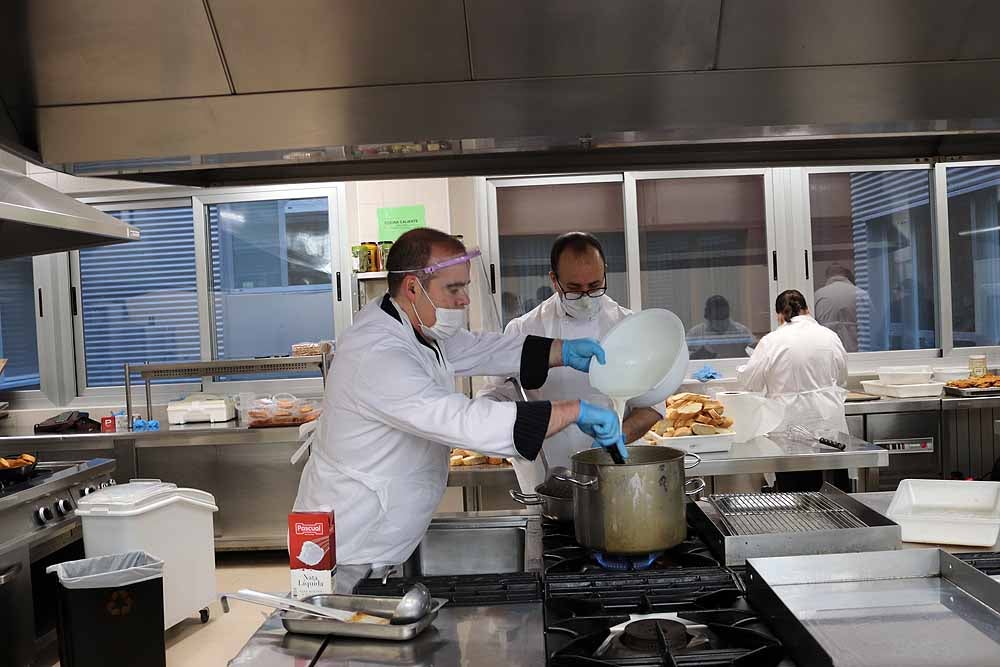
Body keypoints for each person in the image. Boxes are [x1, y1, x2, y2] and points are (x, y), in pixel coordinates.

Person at [293, 228, 624, 592]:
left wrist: (563, 351)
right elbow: (461, 421)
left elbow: (483, 348)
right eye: (454, 289)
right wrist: (573, 410)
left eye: (465, 286)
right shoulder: (378, 355)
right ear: (413, 288)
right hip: (349, 549)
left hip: (382, 537)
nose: (465, 300)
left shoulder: (412, 326)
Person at [479, 232, 665, 492]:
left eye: (595, 285)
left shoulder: (629, 327)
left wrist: (618, 436)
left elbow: (653, 404)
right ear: (554, 280)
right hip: (545, 475)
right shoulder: (524, 330)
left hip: (614, 472)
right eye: (575, 289)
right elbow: (496, 397)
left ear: (605, 274)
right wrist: (476, 417)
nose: (587, 296)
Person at [737, 289, 850, 492]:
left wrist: (741, 370)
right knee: (832, 492)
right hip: (828, 421)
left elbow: (750, 382)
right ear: (807, 310)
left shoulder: (772, 341)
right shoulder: (830, 336)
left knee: (793, 492)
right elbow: (841, 377)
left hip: (787, 424)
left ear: (779, 315)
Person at [813, 264, 876, 353]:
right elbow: (874, 325)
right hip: (858, 352)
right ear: (847, 275)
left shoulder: (818, 295)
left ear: (827, 276)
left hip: (828, 351)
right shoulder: (861, 294)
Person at [685, 295, 755, 360]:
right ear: (707, 317)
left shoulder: (742, 331)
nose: (721, 322)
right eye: (717, 318)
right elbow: (683, 359)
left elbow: (755, 352)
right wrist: (698, 355)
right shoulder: (695, 333)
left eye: (724, 317)